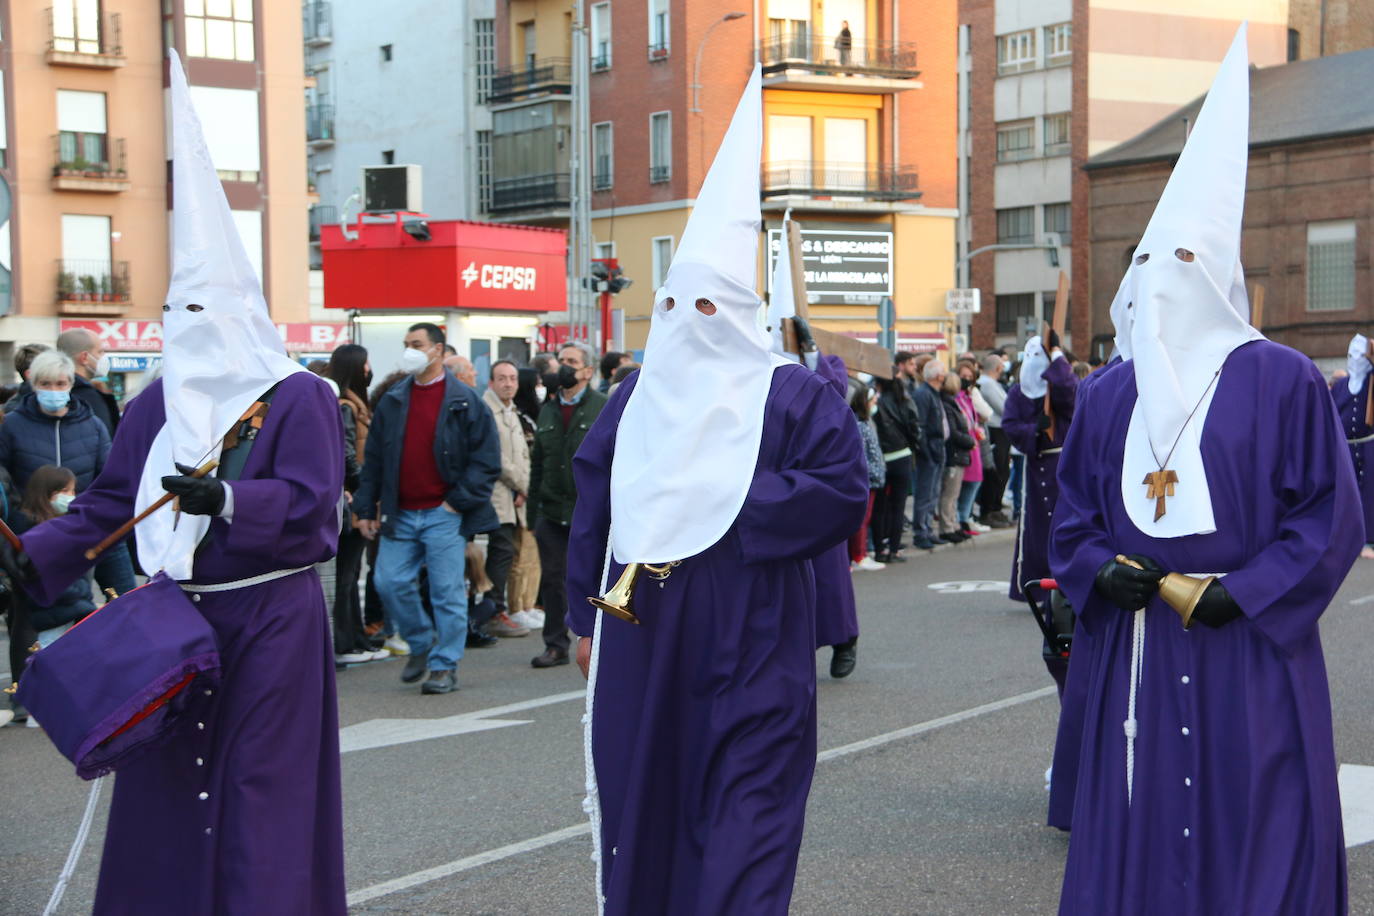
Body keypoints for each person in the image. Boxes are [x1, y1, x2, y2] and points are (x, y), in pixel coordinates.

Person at [0, 51, 348, 912]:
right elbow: (116, 503)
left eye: (205, 312)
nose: (189, 331)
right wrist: (34, 556)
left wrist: (227, 499)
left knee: (256, 791)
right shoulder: (156, 400)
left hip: (270, 620)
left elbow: (314, 514)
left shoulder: (297, 395)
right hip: (173, 618)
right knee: (163, 788)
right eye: (176, 312)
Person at [1052, 28, 1356, 913]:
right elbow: (1071, 511)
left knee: (1258, 823)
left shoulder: (1280, 378)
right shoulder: (1110, 394)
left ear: (1220, 274)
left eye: (1184, 263)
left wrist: (1247, 591)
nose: (1163, 283)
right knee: (1138, 824)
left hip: (1249, 654)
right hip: (1137, 652)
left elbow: (1325, 514)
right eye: (1147, 264)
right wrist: (1097, 572)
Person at [566, 65, 868, 914]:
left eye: (707, 306)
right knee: (648, 791)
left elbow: (841, 489)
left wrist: (733, 504)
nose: (686, 322)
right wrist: (581, 615)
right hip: (643, 617)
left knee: (749, 804)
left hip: (754, 619)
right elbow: (596, 504)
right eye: (672, 304)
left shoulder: (793, 393)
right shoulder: (632, 399)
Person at [354, 322, 501, 695]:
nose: (410, 350)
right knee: (388, 581)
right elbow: (373, 459)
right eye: (406, 344)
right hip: (399, 512)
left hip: (443, 513)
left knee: (446, 592)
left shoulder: (465, 400)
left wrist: (457, 503)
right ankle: (420, 644)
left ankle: (444, 664)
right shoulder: (393, 399)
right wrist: (365, 506)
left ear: (438, 350)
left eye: (416, 344)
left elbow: (486, 460)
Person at [0, 349, 136, 598]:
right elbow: (4, 480)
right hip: (33, 536)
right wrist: (24, 516)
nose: (53, 390)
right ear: (34, 384)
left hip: (88, 527)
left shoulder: (93, 426)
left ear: (71, 385)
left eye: (60, 383)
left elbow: (107, 478)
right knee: (38, 613)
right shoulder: (11, 425)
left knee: (126, 598)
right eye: (45, 383)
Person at [528, 339, 605, 668]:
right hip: (552, 509)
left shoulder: (602, 406)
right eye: (562, 360)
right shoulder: (548, 408)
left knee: (593, 577)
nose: (564, 366)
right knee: (553, 578)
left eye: (572, 360)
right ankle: (555, 642)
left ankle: (597, 637)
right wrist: (533, 514)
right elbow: (538, 463)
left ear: (588, 370)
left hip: (588, 512)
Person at [324, 343, 388, 665]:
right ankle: (344, 642)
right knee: (346, 574)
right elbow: (348, 453)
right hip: (351, 498)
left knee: (350, 573)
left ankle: (355, 639)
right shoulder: (347, 406)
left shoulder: (354, 404)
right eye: (365, 364)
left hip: (354, 495)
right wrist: (363, 489)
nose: (368, 370)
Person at [1004, 333, 1076, 601]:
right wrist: (1035, 430)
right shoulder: (1017, 392)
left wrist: (1057, 354)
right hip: (1037, 466)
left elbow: (1070, 393)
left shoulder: (1056, 387)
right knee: (1037, 526)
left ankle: (1069, 581)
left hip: (1063, 463)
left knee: (1065, 522)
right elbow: (1010, 425)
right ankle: (1038, 586)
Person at [478, 359, 533, 637]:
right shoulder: (487, 410)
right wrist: (522, 484)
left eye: (512, 378)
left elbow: (522, 454)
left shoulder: (511, 411)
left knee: (506, 553)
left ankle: (494, 609)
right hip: (496, 496)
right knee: (499, 554)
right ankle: (492, 610)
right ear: (491, 382)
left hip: (512, 496)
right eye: (502, 378)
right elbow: (495, 457)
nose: (508, 383)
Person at [10, 466, 93, 651]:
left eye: (73, 491)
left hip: (69, 607)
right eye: (65, 491)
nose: (71, 496)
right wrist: (80, 590)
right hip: (52, 611)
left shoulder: (65, 523)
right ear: (46, 492)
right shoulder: (30, 526)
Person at [1330, 334, 1374, 559]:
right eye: (1351, 354)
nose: (1355, 359)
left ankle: (1367, 539)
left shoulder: (1371, 381)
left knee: (1368, 491)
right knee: (1346, 492)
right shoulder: (1340, 386)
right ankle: (1345, 538)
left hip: (1368, 446)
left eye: (1360, 354)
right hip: (1345, 447)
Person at [506, 367, 544, 627]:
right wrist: (522, 486)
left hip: (530, 490)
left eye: (513, 380)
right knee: (518, 556)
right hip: (517, 492)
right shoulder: (514, 415)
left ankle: (528, 603)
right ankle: (516, 605)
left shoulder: (526, 416)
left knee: (532, 555)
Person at [869, 374, 920, 561]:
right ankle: (894, 549)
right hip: (903, 455)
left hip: (882, 458)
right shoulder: (905, 401)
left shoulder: (877, 404)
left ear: (879, 384)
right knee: (898, 507)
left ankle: (879, 549)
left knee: (879, 506)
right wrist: (913, 445)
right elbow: (915, 428)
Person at [910, 358, 948, 549]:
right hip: (930, 451)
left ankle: (928, 529)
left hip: (937, 448)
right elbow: (921, 426)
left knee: (933, 493)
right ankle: (920, 532)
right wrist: (926, 452)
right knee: (925, 494)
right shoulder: (924, 394)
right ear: (937, 375)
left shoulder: (933, 394)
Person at [849, 379, 886, 572]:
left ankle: (861, 552)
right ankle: (859, 555)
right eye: (872, 402)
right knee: (862, 519)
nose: (875, 406)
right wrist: (873, 472)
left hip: (872, 478)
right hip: (866, 479)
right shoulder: (859, 425)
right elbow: (861, 456)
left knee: (867, 518)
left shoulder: (865, 423)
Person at [56, 327, 120, 436]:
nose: (103, 357)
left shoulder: (50, 391)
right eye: (100, 352)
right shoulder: (89, 397)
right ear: (84, 357)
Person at [935, 372, 975, 544]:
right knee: (949, 494)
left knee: (953, 493)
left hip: (958, 453)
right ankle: (947, 527)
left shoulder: (951, 403)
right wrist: (969, 441)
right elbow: (953, 432)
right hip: (954, 453)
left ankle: (953, 524)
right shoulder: (948, 404)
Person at [976, 353, 1013, 527]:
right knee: (997, 471)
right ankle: (990, 509)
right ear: (998, 368)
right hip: (996, 430)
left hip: (998, 430)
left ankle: (995, 508)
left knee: (1001, 470)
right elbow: (1005, 408)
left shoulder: (988, 383)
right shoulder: (988, 385)